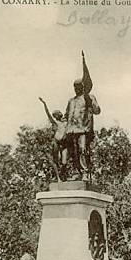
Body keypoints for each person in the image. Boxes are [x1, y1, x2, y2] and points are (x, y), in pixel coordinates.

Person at [65, 51, 101, 180]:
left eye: (78, 86)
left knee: (82, 149)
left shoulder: (89, 97)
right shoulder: (71, 101)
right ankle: (76, 172)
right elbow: (66, 116)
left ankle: (85, 172)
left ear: (82, 86)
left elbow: (97, 111)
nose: (75, 88)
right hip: (71, 130)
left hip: (83, 129)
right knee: (73, 152)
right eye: (74, 86)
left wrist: (91, 102)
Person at [39, 97, 68, 181]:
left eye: (59, 112)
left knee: (64, 162)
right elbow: (48, 114)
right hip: (56, 143)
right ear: (55, 116)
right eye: (57, 113)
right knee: (56, 161)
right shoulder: (55, 123)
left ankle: (62, 175)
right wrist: (44, 104)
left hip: (64, 144)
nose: (59, 113)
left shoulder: (65, 123)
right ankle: (58, 178)